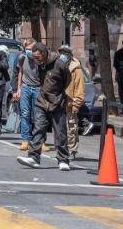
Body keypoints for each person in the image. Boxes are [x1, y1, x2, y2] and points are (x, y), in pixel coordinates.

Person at [17, 43, 73, 171]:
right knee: (38, 128)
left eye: (37, 57)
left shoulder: (59, 63)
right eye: (34, 57)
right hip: (42, 101)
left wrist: (62, 96)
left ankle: (63, 160)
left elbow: (68, 80)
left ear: (44, 53)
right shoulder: (38, 64)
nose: (35, 59)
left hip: (57, 102)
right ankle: (34, 157)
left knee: (60, 132)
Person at [13, 39, 41, 151]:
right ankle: (25, 140)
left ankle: (39, 140)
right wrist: (18, 89)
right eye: (27, 49)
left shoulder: (40, 60)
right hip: (25, 87)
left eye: (32, 49)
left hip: (38, 88)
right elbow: (20, 72)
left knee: (38, 115)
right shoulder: (22, 58)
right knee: (25, 114)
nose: (29, 51)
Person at [60, 45, 88, 160]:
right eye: (61, 53)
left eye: (64, 53)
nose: (62, 55)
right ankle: (62, 149)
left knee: (71, 127)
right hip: (60, 103)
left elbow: (80, 89)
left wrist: (77, 104)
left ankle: (72, 150)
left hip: (71, 103)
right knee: (61, 128)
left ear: (69, 55)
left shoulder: (76, 70)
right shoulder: (59, 66)